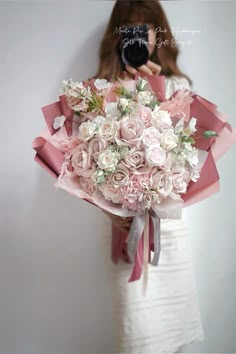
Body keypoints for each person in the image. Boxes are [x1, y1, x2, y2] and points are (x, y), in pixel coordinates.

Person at [92, 1, 205, 353]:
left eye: (146, 26)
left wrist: (154, 90)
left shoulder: (177, 85)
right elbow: (92, 163)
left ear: (159, 32)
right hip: (124, 226)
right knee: (136, 329)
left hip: (168, 227)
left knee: (174, 330)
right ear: (118, 35)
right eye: (130, 26)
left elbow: (186, 153)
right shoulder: (100, 92)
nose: (139, 34)